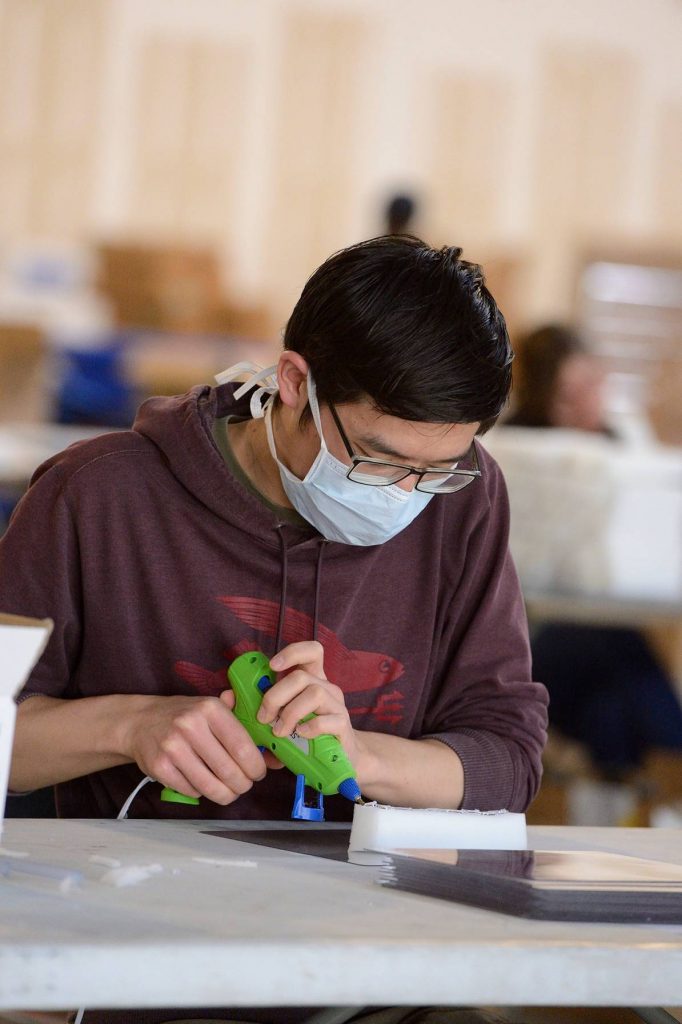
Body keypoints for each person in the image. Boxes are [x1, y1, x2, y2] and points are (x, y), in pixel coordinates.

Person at [1, 236, 547, 1024]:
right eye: (380, 462)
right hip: (143, 960)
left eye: (440, 470)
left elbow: (508, 761)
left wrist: (362, 755)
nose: (407, 496)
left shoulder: (465, 499)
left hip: (377, 969)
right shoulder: (97, 496)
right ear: (295, 382)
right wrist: (132, 725)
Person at [506, 323, 682, 776]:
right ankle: (669, 764)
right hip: (532, 635)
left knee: (611, 701)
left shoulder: (623, 443)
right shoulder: (514, 448)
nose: (589, 402)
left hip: (600, 636)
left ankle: (632, 781)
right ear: (544, 395)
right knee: (612, 649)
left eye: (593, 385)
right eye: (571, 393)